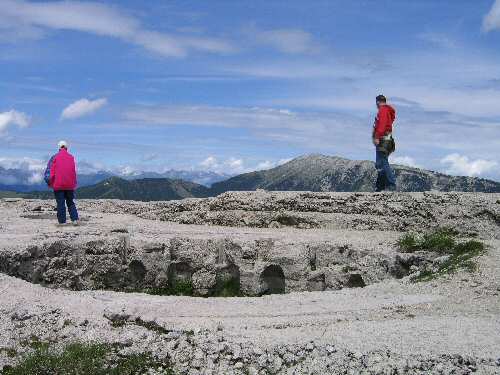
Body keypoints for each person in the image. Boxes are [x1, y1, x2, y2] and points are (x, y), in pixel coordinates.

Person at [44, 140, 79, 225]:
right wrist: (74, 183)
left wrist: (48, 181)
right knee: (70, 202)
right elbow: (73, 171)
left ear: (59, 147)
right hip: (70, 184)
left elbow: (49, 171)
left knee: (60, 203)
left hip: (58, 184)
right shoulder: (71, 157)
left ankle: (62, 222)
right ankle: (75, 219)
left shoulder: (54, 157)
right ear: (67, 148)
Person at [372, 94, 397, 192]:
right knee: (379, 163)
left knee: (382, 161)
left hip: (383, 138)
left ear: (378, 102)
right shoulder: (388, 111)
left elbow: (381, 124)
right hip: (388, 139)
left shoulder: (383, 110)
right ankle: (380, 186)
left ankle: (391, 184)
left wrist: (377, 136)